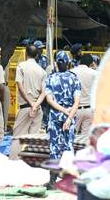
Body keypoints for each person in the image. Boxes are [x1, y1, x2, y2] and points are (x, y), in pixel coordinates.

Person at [45, 51, 81, 188]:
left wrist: (61, 110)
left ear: (56, 63)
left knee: (54, 149)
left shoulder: (50, 78)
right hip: (69, 118)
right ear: (67, 62)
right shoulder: (74, 78)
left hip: (54, 118)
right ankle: (71, 181)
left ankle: (53, 181)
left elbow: (49, 100)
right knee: (69, 148)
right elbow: (76, 102)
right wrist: (69, 116)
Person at [9, 45, 46, 160]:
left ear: (25, 53)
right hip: (37, 109)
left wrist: (31, 104)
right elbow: (44, 92)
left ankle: (13, 164)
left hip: (26, 107)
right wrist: (35, 105)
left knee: (17, 137)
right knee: (34, 138)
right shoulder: (42, 70)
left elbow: (20, 87)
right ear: (37, 55)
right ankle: (30, 164)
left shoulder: (21, 66)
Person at [70, 54, 97, 136]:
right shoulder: (94, 73)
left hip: (74, 109)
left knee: (71, 137)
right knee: (85, 139)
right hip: (89, 109)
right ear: (91, 63)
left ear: (80, 61)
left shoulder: (71, 72)